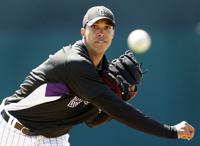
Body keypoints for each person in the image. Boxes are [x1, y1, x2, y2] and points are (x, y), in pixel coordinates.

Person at [0, 5, 195, 146]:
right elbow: (117, 110)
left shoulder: (101, 71)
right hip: (14, 132)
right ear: (83, 32)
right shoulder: (74, 63)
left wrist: (121, 94)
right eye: (95, 27)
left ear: (113, 33)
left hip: (52, 138)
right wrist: (171, 131)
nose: (101, 33)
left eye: (107, 28)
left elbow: (93, 121)